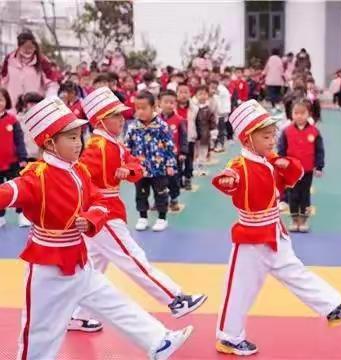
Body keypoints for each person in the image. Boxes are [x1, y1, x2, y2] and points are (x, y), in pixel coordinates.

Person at [0, 96, 193, 360]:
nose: (78, 143)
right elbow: (8, 192)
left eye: (79, 136)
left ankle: (158, 340)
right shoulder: (37, 176)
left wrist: (91, 218)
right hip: (47, 269)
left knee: (112, 300)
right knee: (39, 332)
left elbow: (100, 200)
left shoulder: (78, 171)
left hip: (78, 261)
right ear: (48, 142)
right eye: (70, 138)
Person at [212, 99, 341, 356]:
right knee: (238, 288)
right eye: (266, 137)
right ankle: (229, 337)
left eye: (273, 135)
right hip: (250, 238)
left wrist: (283, 163)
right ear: (247, 140)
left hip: (274, 231)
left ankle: (331, 307)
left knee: (296, 272)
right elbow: (228, 181)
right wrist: (229, 180)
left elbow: (294, 176)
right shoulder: (239, 165)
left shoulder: (270, 159)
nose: (272, 141)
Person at [71, 86, 206, 330]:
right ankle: (174, 299)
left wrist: (128, 171)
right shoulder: (97, 147)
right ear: (100, 120)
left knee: (90, 268)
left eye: (122, 114)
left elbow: (136, 166)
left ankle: (74, 314)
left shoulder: (113, 144)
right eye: (116, 115)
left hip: (105, 211)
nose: (123, 119)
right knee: (133, 258)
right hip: (104, 214)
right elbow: (81, 177)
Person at [125, 90, 177, 232]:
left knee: (161, 192)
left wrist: (170, 164)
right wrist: (128, 165)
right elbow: (127, 147)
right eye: (137, 108)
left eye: (144, 108)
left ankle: (162, 218)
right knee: (140, 193)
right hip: (140, 169)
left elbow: (169, 146)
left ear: (153, 108)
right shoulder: (133, 127)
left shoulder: (162, 126)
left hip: (159, 168)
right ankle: (143, 217)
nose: (140, 112)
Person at [278, 99, 324, 232]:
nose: (299, 116)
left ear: (308, 114)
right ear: (291, 114)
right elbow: (281, 149)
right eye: (296, 113)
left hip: (307, 170)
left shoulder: (314, 132)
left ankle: (303, 221)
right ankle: (294, 220)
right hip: (291, 171)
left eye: (302, 113)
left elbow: (319, 150)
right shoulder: (286, 131)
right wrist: (281, 163)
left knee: (305, 195)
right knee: (293, 195)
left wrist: (319, 166)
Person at [0, 31, 59, 109]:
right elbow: (3, 80)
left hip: (35, 108)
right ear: (19, 46)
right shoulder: (9, 59)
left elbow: (52, 83)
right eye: (25, 47)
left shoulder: (42, 61)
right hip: (13, 108)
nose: (28, 50)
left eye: (31, 47)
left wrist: (49, 100)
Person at [0, 87, 29, 228]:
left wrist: (23, 157)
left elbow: (19, 140)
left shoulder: (12, 120)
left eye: (1, 99)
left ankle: (22, 215)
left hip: (13, 163)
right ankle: (1, 217)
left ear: (6, 101)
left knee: (18, 189)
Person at [157, 90, 188, 211]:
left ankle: (174, 199)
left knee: (174, 180)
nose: (169, 105)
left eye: (172, 102)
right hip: (158, 156)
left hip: (174, 156)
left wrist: (183, 152)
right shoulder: (155, 120)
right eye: (166, 102)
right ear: (159, 103)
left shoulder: (180, 120)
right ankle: (160, 200)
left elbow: (183, 137)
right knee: (158, 180)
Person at [176, 83, 199, 190]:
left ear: (190, 94)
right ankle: (178, 179)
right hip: (176, 139)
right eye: (180, 92)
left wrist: (199, 135)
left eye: (186, 92)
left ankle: (188, 178)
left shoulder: (194, 108)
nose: (183, 95)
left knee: (189, 160)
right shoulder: (172, 108)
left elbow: (198, 122)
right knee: (177, 161)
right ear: (176, 94)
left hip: (190, 138)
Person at [194, 85, 216, 175]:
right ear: (196, 95)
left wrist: (213, 132)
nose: (202, 96)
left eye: (204, 94)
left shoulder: (209, 108)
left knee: (203, 152)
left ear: (207, 95)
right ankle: (195, 168)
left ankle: (201, 168)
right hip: (195, 135)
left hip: (205, 134)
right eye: (200, 94)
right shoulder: (193, 107)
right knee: (195, 152)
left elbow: (212, 121)